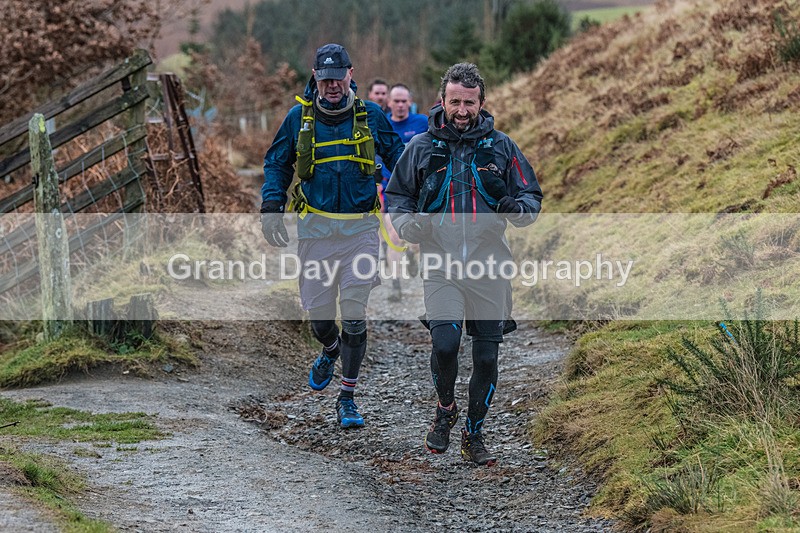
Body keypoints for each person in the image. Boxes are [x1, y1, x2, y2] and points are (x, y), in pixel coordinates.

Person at [385, 63, 543, 465]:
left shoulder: (502, 147)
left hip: (490, 266)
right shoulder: (420, 146)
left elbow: (531, 201)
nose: (461, 110)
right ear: (442, 101)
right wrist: (409, 227)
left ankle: (474, 433)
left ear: (481, 103)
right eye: (454, 101)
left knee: (487, 357)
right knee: (445, 343)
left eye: (469, 103)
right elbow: (397, 198)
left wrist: (512, 205)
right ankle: (445, 409)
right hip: (440, 264)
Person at [260, 44, 404, 428]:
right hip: (316, 233)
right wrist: (271, 207)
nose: (332, 85)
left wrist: (416, 201)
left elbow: (401, 160)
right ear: (315, 77)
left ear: (350, 74)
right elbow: (277, 163)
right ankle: (329, 349)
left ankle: (347, 397)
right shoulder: (298, 118)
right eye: (324, 79)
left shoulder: (371, 115)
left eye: (338, 78)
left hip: (360, 231)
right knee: (321, 320)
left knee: (354, 316)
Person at [381, 83, 428, 302]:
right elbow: (377, 156)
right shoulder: (384, 125)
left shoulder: (422, 123)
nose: (400, 105)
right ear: (389, 103)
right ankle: (396, 286)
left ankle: (411, 253)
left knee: (417, 241)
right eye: (396, 101)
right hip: (393, 189)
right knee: (393, 236)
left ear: (410, 102)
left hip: (420, 189)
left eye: (403, 101)